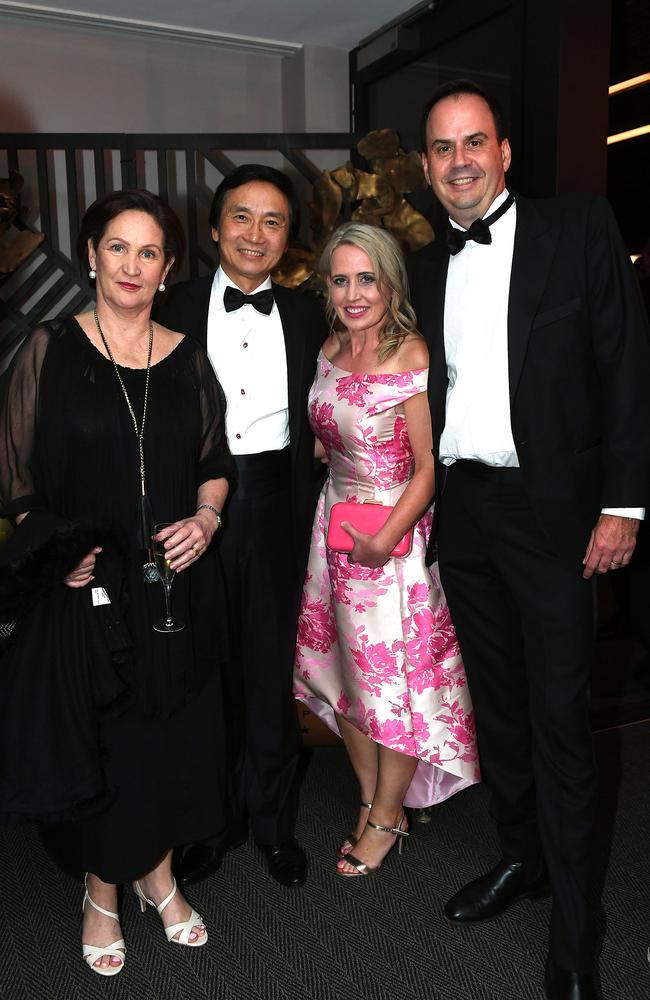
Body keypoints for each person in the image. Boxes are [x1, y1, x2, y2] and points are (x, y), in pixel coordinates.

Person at [408, 79, 650, 1000]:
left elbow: (628, 366)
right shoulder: (426, 267)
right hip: (464, 516)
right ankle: (524, 859)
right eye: (442, 148)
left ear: (505, 151)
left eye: (475, 143)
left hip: (556, 522)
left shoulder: (580, 227)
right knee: (498, 710)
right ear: (427, 166)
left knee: (560, 727)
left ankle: (577, 929)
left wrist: (624, 507)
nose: (460, 161)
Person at [0, 189, 236, 975]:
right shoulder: (48, 349)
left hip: (176, 586)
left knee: (177, 737)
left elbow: (214, 464)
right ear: (92, 254)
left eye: (149, 252)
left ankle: (159, 875)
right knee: (113, 746)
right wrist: (50, 548)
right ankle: (103, 890)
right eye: (117, 247)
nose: (132, 265)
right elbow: (16, 478)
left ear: (168, 268)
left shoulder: (186, 355)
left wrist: (205, 521)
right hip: (91, 591)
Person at [157, 164, 326, 887]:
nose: (255, 234)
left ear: (289, 236)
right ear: (214, 227)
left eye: (273, 221)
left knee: (268, 668)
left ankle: (273, 826)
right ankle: (211, 823)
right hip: (197, 507)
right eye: (241, 217)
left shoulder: (312, 312)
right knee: (206, 671)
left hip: (280, 506)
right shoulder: (174, 307)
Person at [293, 221, 479, 877]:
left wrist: (386, 538)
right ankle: (378, 801)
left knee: (391, 687)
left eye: (365, 277)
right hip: (334, 530)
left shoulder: (409, 353)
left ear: (388, 280)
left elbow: (427, 467)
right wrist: (329, 443)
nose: (352, 293)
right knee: (341, 672)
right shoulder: (330, 346)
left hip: (391, 542)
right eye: (340, 279)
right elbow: (329, 423)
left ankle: (383, 818)